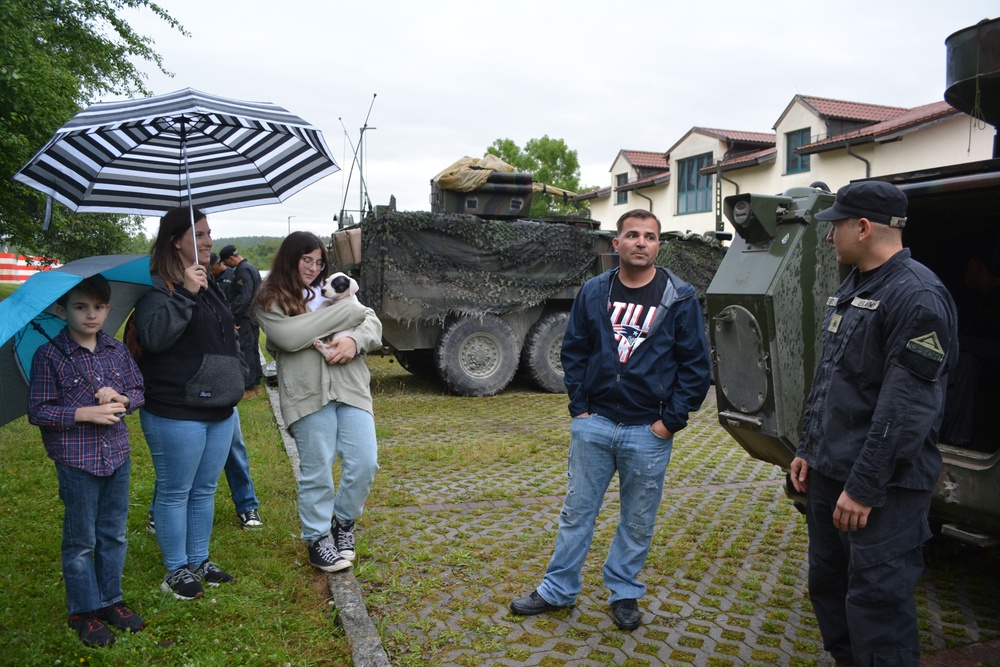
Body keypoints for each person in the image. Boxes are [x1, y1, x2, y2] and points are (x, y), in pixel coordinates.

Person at [510, 209, 712, 631]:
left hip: (648, 430)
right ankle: (557, 590)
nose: (641, 242)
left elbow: (696, 366)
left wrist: (669, 422)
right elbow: (575, 350)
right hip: (595, 424)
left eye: (650, 236)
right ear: (616, 244)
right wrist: (579, 409)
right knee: (576, 512)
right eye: (632, 235)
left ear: (658, 245)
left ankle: (623, 591)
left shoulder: (679, 296)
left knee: (638, 520)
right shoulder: (594, 292)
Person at [789, 181, 958, 667]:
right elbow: (833, 377)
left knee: (877, 605)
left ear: (863, 228)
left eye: (835, 227)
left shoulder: (917, 296)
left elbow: (905, 408)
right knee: (829, 587)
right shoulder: (857, 282)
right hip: (829, 474)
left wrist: (863, 487)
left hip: (879, 490)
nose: (828, 238)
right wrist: (807, 449)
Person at [133, 207, 246, 600]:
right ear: (175, 240)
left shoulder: (210, 282)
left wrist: (238, 372)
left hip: (218, 407)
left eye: (210, 233)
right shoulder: (157, 288)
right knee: (175, 490)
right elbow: (154, 337)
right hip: (175, 408)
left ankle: (199, 560)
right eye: (198, 234)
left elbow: (223, 337)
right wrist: (184, 293)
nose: (208, 240)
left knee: (205, 490)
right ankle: (175, 569)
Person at [27, 276, 146, 647]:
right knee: (81, 539)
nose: (91, 314)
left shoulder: (115, 350)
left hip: (117, 456)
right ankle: (83, 611)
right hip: (77, 461)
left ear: (108, 310)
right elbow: (39, 411)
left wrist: (122, 398)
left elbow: (139, 390)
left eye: (98, 307)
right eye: (80, 307)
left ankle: (110, 600)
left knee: (114, 531)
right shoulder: (50, 355)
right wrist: (84, 414)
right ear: (62, 311)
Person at [253, 231, 382, 573]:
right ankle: (317, 539)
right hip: (307, 393)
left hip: (350, 387)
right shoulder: (270, 300)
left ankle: (343, 523)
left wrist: (354, 339)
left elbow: (373, 324)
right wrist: (348, 314)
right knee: (317, 471)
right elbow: (288, 336)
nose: (313, 268)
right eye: (305, 259)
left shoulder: (331, 289)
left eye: (319, 261)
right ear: (289, 258)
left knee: (365, 463)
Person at [220, 244, 263, 397]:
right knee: (253, 347)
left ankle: (249, 386)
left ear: (231, 258)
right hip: (253, 313)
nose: (226, 266)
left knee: (246, 349)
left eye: (226, 262)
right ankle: (257, 379)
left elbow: (245, 296)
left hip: (245, 315)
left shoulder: (243, 270)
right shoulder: (251, 267)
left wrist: (233, 314)